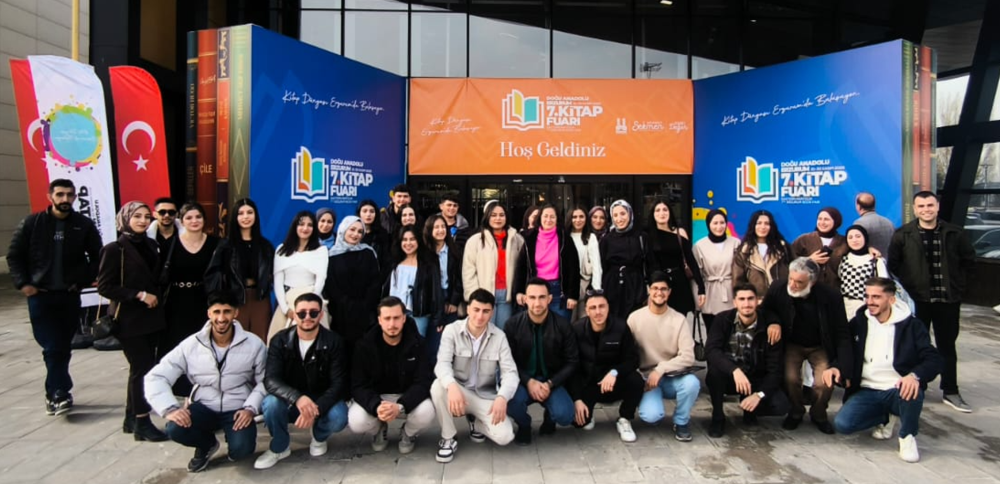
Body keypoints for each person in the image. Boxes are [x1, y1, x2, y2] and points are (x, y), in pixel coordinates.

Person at [7, 179, 102, 416]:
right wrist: (24, 284)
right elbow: (14, 255)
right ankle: (59, 392)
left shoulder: (83, 225)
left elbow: (98, 256)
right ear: (50, 197)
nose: (65, 199)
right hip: (41, 296)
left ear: (75, 198)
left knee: (62, 346)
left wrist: (82, 281)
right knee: (52, 346)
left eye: (69, 195)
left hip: (69, 296)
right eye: (60, 194)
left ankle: (56, 393)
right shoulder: (33, 223)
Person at [144, 292, 267, 473]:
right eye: (216, 312)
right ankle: (206, 444)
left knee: (242, 450)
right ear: (209, 313)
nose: (221, 318)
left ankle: (235, 439)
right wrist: (170, 408)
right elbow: (157, 376)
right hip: (204, 405)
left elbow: (265, 380)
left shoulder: (254, 343)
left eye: (227, 312)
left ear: (236, 313)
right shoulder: (191, 344)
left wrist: (250, 408)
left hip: (237, 407)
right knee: (175, 428)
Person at [830, 277, 943, 463]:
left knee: (912, 389)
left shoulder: (912, 326)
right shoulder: (859, 323)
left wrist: (914, 375)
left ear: (891, 300)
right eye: (867, 296)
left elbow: (934, 358)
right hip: (867, 389)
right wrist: (836, 367)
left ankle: (907, 436)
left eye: (876, 297)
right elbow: (844, 349)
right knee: (843, 424)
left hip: (898, 388)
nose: (870, 301)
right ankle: (886, 417)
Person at [888, 191, 976, 413]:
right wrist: (909, 288)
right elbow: (894, 266)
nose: (926, 209)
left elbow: (969, 262)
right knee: (916, 345)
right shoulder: (902, 234)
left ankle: (950, 390)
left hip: (947, 300)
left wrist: (959, 288)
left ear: (937, 207)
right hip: (918, 301)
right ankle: (918, 385)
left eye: (930, 205)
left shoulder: (955, 233)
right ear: (915, 209)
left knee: (947, 346)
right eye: (921, 206)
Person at [97, 201, 168, 441]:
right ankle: (142, 422)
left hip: (152, 318)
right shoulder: (114, 249)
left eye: (147, 217)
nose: (143, 221)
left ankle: (131, 418)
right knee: (142, 370)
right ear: (125, 218)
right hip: (129, 320)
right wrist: (139, 295)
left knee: (141, 368)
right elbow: (105, 286)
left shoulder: (151, 245)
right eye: (137, 216)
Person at [255, 292, 349, 469]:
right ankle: (280, 447)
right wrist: (297, 398)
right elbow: (271, 380)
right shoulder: (279, 340)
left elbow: (339, 384)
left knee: (340, 416)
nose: (307, 317)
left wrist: (315, 409)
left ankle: (319, 436)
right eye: (302, 313)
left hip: (321, 399)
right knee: (271, 403)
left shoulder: (334, 341)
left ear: (321, 315)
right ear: (294, 314)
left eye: (313, 313)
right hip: (290, 400)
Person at [760, 257, 851, 434]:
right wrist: (773, 322)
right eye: (791, 279)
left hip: (820, 345)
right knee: (791, 378)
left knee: (824, 382)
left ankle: (819, 414)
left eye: (799, 282)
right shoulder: (778, 288)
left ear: (812, 282)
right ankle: (796, 411)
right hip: (792, 343)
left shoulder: (831, 296)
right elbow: (766, 310)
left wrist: (843, 367)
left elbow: (842, 331)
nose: (793, 285)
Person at [432, 289, 518, 463]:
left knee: (505, 436)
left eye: (486, 311)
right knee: (438, 387)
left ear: (492, 313)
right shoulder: (452, 330)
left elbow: (511, 373)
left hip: (484, 396)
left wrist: (502, 397)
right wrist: (452, 386)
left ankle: (476, 423)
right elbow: (442, 364)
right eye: (476, 310)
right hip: (459, 391)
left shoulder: (499, 337)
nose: (480, 316)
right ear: (468, 309)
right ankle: (448, 437)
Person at [348, 297, 436, 454]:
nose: (392, 324)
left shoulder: (418, 343)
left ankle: (408, 433)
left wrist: (401, 406)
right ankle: (379, 429)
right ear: (379, 320)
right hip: (378, 398)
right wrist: (376, 406)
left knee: (427, 412)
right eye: (387, 318)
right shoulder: (365, 345)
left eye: (396, 318)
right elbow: (358, 385)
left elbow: (424, 381)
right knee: (356, 421)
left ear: (404, 318)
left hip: (406, 397)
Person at [705, 283, 787, 438]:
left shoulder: (770, 328)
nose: (746, 303)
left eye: (750, 299)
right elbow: (711, 350)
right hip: (730, 375)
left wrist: (759, 395)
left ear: (758, 301)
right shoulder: (722, 319)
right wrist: (734, 370)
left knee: (780, 405)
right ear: (735, 302)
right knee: (714, 373)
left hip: (755, 376)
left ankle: (750, 409)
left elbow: (775, 370)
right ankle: (717, 417)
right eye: (741, 299)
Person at [504, 277, 579, 445]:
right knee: (509, 402)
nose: (537, 303)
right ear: (525, 299)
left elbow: (572, 361)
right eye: (532, 297)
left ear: (550, 299)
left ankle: (550, 417)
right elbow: (507, 362)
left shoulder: (563, 325)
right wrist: (528, 381)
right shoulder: (512, 325)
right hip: (523, 381)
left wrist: (551, 383)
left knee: (565, 415)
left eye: (542, 297)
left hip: (551, 381)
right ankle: (524, 425)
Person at [628, 271, 700, 442]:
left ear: (669, 292)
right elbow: (626, 352)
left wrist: (661, 369)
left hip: (672, 377)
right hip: (647, 379)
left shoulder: (678, 319)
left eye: (663, 289)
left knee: (692, 383)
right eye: (655, 288)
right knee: (651, 417)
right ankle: (649, 403)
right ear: (649, 290)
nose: (659, 293)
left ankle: (681, 421)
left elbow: (688, 356)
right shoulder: (635, 318)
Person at [569, 289, 642, 442]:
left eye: (602, 306)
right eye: (593, 308)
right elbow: (572, 366)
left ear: (608, 307)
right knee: (578, 423)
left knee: (636, 380)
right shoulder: (577, 329)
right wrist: (577, 399)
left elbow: (633, 359)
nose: (598, 312)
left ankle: (625, 418)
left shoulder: (620, 327)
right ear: (587, 311)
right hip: (589, 383)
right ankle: (589, 414)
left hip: (614, 382)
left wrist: (615, 372)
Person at [205, 198, 275, 341]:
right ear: (235, 217)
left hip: (260, 299)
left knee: (260, 340)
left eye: (250, 212)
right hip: (234, 299)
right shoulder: (226, 246)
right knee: (235, 340)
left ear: (255, 216)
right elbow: (213, 274)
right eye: (240, 213)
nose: (245, 217)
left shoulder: (265, 246)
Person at [161, 203, 220, 361]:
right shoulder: (170, 244)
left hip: (205, 300)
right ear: (182, 221)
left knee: (203, 347)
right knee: (175, 348)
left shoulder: (216, 244)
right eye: (189, 218)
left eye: (198, 217)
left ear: (204, 219)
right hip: (176, 302)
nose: (194, 221)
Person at [462, 201, 525, 328]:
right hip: (483, 294)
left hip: (507, 295)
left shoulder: (517, 239)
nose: (498, 218)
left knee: (503, 331)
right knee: (483, 330)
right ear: (487, 217)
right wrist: (474, 296)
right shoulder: (475, 241)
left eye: (501, 215)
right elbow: (468, 271)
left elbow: (523, 269)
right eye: (493, 215)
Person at [268, 211, 328, 342]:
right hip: (288, 302)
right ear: (295, 226)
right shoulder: (282, 249)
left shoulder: (321, 251)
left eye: (310, 225)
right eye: (301, 224)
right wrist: (286, 309)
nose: (305, 228)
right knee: (279, 340)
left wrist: (310, 306)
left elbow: (320, 280)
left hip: (312, 298)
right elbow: (278, 282)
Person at [514, 205, 581, 321]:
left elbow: (573, 268)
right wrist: (519, 291)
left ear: (557, 219)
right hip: (535, 289)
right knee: (536, 326)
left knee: (560, 327)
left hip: (558, 291)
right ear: (540, 218)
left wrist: (573, 295)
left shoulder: (565, 238)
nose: (548, 220)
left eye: (552, 217)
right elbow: (522, 267)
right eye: (545, 216)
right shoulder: (530, 239)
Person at [324, 216, 382, 344]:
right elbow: (331, 284)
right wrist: (346, 304)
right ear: (343, 229)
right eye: (352, 229)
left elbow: (375, 281)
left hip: (365, 313)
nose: (356, 234)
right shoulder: (331, 255)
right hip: (340, 313)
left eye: (360, 231)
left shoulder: (368, 252)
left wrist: (365, 304)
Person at [647, 199, 705, 316]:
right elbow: (649, 265)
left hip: (680, 282)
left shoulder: (679, 232)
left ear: (670, 212)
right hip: (660, 285)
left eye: (665, 210)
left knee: (680, 319)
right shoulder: (648, 237)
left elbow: (691, 261)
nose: (662, 213)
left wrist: (701, 287)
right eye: (657, 210)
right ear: (653, 214)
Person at [382, 225, 442, 336]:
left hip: (419, 314)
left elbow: (436, 290)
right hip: (395, 312)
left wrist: (438, 318)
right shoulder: (395, 262)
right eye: (404, 240)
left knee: (417, 343)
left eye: (412, 239)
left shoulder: (428, 263)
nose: (408, 243)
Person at [600, 200, 651, 319]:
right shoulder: (606, 239)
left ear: (630, 214)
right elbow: (603, 266)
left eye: (623, 214)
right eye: (615, 215)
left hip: (635, 285)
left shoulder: (641, 237)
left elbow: (650, 263)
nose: (619, 219)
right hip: (612, 286)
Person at [694, 209, 740, 329]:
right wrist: (698, 295)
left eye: (722, 222)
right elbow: (696, 274)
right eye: (715, 223)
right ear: (708, 224)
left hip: (731, 291)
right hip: (710, 293)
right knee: (712, 331)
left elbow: (741, 270)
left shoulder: (736, 243)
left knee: (731, 330)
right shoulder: (699, 246)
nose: (719, 227)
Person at [424, 214, 464, 355]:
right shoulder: (425, 254)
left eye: (443, 227)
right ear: (429, 230)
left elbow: (459, 278)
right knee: (434, 343)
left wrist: (454, 301)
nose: (440, 230)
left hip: (450, 296)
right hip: (432, 300)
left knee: (450, 342)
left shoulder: (454, 250)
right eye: (436, 227)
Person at [732, 210, 790, 301]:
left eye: (766, 223)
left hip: (781, 300)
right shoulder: (743, 251)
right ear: (753, 226)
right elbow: (738, 282)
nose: (763, 227)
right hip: (755, 302)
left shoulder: (783, 248)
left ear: (771, 226)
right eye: (759, 223)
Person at [838, 225, 889, 318]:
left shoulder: (875, 260)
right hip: (844, 307)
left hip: (867, 306)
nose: (854, 240)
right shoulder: (843, 259)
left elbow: (884, 285)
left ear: (865, 238)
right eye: (850, 237)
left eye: (858, 236)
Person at [791, 207, 847, 289]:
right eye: (819, 219)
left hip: (834, 290)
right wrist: (809, 260)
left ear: (836, 221)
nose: (822, 222)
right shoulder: (804, 239)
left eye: (826, 219)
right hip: (808, 289)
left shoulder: (844, 242)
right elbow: (788, 261)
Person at [567, 205, 603, 322]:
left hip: (585, 284)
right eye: (574, 217)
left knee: (584, 321)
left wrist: (596, 291)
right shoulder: (565, 236)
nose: (578, 220)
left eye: (581, 216)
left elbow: (596, 266)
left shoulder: (590, 237)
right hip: (568, 286)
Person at [853, 192, 895, 257]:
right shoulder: (889, 222)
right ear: (874, 205)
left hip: (870, 262)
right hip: (888, 262)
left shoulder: (859, 224)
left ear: (859, 207)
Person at [358, 198, 392, 267]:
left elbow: (385, 260)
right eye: (364, 211)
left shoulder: (382, 234)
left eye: (372, 211)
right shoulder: (354, 234)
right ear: (359, 214)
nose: (368, 214)